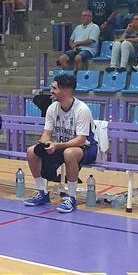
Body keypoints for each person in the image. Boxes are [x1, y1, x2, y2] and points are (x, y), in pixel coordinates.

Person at [24, 73, 97, 214]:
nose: (51, 91)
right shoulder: (52, 108)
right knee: (31, 151)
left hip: (87, 148)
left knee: (69, 153)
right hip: (63, 146)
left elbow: (81, 140)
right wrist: (45, 143)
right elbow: (47, 133)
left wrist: (56, 146)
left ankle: (71, 198)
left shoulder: (82, 109)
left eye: (54, 88)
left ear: (66, 90)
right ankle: (42, 193)